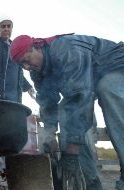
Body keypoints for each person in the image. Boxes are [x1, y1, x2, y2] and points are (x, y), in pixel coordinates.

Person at [10, 34, 124, 190]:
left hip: (118, 66)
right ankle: (88, 183)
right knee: (66, 111)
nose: (27, 67)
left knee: (107, 87)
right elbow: (48, 102)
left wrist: (71, 153)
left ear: (36, 47)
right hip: (91, 83)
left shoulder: (65, 50)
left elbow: (81, 96)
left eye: (26, 60)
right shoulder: (37, 71)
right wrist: (49, 133)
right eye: (22, 65)